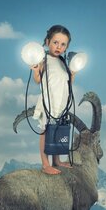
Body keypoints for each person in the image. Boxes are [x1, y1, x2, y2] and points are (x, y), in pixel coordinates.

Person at [32, 24, 75, 175]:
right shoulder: (43, 60)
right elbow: (38, 80)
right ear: (48, 41)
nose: (59, 47)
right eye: (55, 42)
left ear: (66, 46)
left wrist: (73, 74)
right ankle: (45, 164)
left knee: (57, 130)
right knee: (45, 130)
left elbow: (67, 82)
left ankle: (57, 160)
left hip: (61, 102)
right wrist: (36, 71)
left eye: (63, 44)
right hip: (48, 102)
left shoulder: (63, 62)